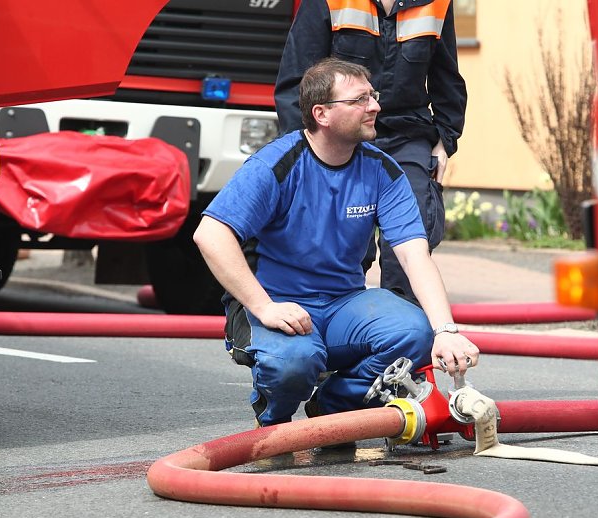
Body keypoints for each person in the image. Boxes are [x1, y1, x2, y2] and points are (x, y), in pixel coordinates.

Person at [193, 58, 478, 427]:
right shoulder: (276, 164)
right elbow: (210, 234)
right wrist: (264, 307)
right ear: (322, 114)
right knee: (294, 364)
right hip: (278, 304)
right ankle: (273, 424)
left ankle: (332, 411)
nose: (375, 106)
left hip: (343, 303)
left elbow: (414, 255)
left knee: (415, 333)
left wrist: (446, 332)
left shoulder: (381, 169)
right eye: (360, 99)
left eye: (372, 95)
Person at [274, 0, 467, 305]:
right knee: (343, 244)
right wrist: (307, 152)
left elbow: (448, 76)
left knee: (412, 237)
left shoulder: (437, 3)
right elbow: (296, 82)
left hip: (408, 136)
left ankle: (401, 335)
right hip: (342, 139)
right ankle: (337, 324)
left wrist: (445, 141)